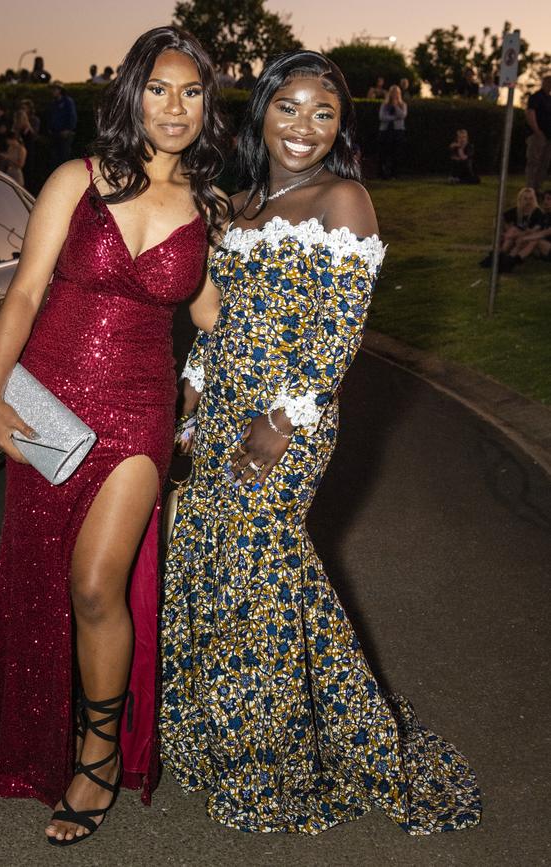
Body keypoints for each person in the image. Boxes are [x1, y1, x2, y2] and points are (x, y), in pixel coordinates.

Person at [160, 48, 481, 837]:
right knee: (216, 554)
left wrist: (275, 425)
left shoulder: (346, 201)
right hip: (225, 401)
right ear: (262, 110)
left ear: (341, 127)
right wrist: (194, 395)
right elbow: (220, 321)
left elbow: (337, 338)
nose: (303, 127)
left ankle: (276, 754)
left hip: (291, 417)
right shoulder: (236, 202)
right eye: (289, 107)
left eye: (324, 112)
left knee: (263, 560)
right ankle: (226, 724)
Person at [0, 25, 229, 847]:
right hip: (48, 402)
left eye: (191, 92)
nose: (174, 107)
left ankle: (100, 753)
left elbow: (216, 319)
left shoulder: (207, 208)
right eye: (159, 88)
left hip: (140, 409)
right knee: (43, 574)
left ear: (208, 106)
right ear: (133, 94)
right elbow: (27, 292)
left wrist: (288, 347)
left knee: (94, 583)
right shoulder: (76, 180)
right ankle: (48, 730)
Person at [480, 187, 544, 269]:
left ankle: (503, 258)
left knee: (513, 231)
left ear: (534, 199)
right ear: (520, 199)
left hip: (530, 242)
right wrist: (505, 229)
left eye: (531, 199)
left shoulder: (538, 212)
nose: (528, 202)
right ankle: (501, 256)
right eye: (525, 199)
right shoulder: (517, 210)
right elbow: (499, 218)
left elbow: (535, 231)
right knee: (511, 234)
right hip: (513, 238)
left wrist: (515, 233)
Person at [496, 189, 550, 271]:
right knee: (517, 231)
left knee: (535, 239)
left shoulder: (538, 212)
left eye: (549, 199)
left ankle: (511, 260)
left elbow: (544, 233)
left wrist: (522, 237)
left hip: (546, 248)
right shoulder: (546, 215)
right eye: (545, 199)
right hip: (541, 250)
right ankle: (504, 257)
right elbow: (534, 231)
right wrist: (510, 232)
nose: (545, 201)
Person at [525, 76, 551, 195]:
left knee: (544, 163)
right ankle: (530, 188)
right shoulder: (536, 97)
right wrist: (537, 131)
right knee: (534, 162)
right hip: (538, 135)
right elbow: (531, 113)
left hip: (548, 137)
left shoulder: (549, 99)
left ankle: (537, 187)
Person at [378, 84, 407, 179]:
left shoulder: (403, 105)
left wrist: (396, 106)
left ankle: (395, 173)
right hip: (386, 131)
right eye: (393, 93)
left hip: (398, 131)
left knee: (397, 153)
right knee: (385, 152)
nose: (394, 95)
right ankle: (384, 174)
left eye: (396, 93)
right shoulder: (385, 105)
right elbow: (382, 117)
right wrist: (394, 118)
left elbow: (402, 115)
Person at [48, 82, 77, 167]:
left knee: (64, 158)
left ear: (60, 90)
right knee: (54, 158)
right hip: (55, 134)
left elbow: (72, 116)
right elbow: (51, 116)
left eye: (54, 89)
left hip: (65, 134)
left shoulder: (68, 101)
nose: (52, 91)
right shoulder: (53, 103)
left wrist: (68, 130)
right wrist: (50, 128)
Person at [13, 109, 37, 192]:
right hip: (24, 155)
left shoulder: (27, 132)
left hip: (27, 156)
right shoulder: (23, 131)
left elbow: (28, 146)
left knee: (27, 176)